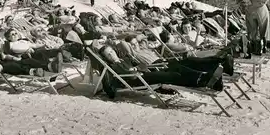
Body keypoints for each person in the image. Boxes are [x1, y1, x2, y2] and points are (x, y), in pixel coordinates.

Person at [96, 45, 224, 99]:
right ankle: (204, 80)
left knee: (176, 66)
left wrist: (136, 68)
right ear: (106, 58)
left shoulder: (125, 58)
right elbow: (109, 84)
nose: (111, 55)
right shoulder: (110, 66)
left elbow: (142, 64)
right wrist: (133, 71)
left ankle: (205, 76)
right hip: (138, 81)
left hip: (145, 73)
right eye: (108, 55)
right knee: (172, 76)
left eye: (111, 51)